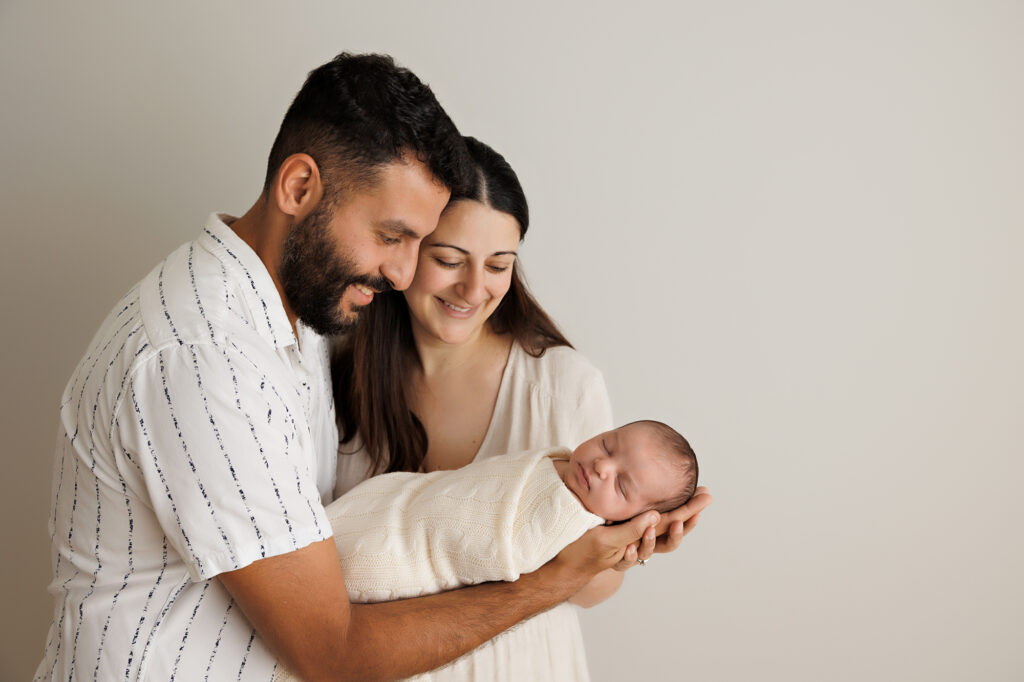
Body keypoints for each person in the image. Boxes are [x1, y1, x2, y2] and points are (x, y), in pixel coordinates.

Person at [34, 53, 684, 682]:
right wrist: (550, 583)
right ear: (298, 188)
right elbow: (331, 649)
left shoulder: (308, 319)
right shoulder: (207, 361)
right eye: (394, 236)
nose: (404, 272)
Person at [332, 137, 713, 680]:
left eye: (498, 265)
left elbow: (590, 590)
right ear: (407, 246)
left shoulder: (562, 384)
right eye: (448, 259)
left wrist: (627, 548)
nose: (473, 288)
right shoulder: (341, 376)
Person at [275, 421, 698, 681]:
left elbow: (491, 550)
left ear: (631, 520)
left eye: (622, 485)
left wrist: (629, 548)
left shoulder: (573, 525)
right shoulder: (561, 462)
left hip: (410, 568)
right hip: (395, 507)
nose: (603, 465)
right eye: (608, 444)